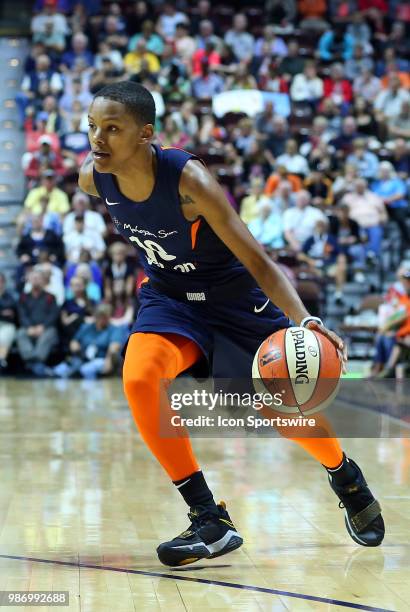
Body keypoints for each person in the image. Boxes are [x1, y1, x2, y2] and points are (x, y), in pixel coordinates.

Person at [79, 82, 384, 567]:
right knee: (139, 378)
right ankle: (209, 519)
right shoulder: (94, 179)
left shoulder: (189, 181)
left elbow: (258, 261)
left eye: (112, 128)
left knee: (281, 415)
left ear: (145, 134)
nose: (99, 138)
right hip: (172, 299)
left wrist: (305, 319)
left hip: (236, 303)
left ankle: (344, 473)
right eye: (93, 126)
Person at [0, 273, 17, 372]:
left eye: (0, 281)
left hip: (7, 324)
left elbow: (12, 310)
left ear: (4, 283)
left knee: (3, 337)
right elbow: (6, 311)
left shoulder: (10, 296)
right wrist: (2, 312)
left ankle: (1, 361)